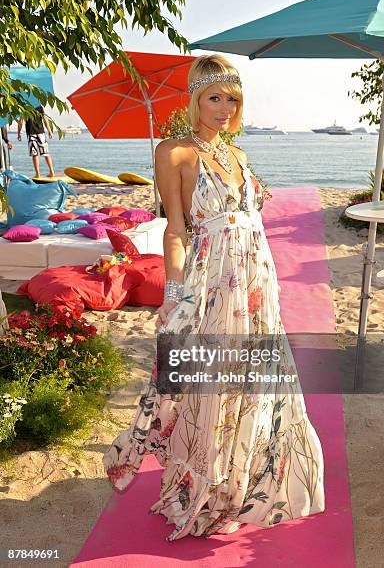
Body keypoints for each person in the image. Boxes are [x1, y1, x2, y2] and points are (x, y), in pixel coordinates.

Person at [103, 54, 325, 541]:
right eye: (214, 97)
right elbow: (176, 232)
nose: (224, 108)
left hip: (254, 282)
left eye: (232, 99)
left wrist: (268, 281)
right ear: (194, 99)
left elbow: (254, 224)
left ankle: (244, 482)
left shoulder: (239, 155)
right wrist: (177, 293)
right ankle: (205, 486)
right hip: (212, 282)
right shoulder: (174, 152)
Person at [17, 106, 55, 178]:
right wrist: (49, 131)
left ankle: (38, 174)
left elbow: (21, 121)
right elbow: (45, 120)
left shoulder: (24, 107)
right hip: (41, 132)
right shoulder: (39, 107)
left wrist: (19, 133)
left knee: (35, 154)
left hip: (31, 133)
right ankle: (52, 171)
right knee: (46, 153)